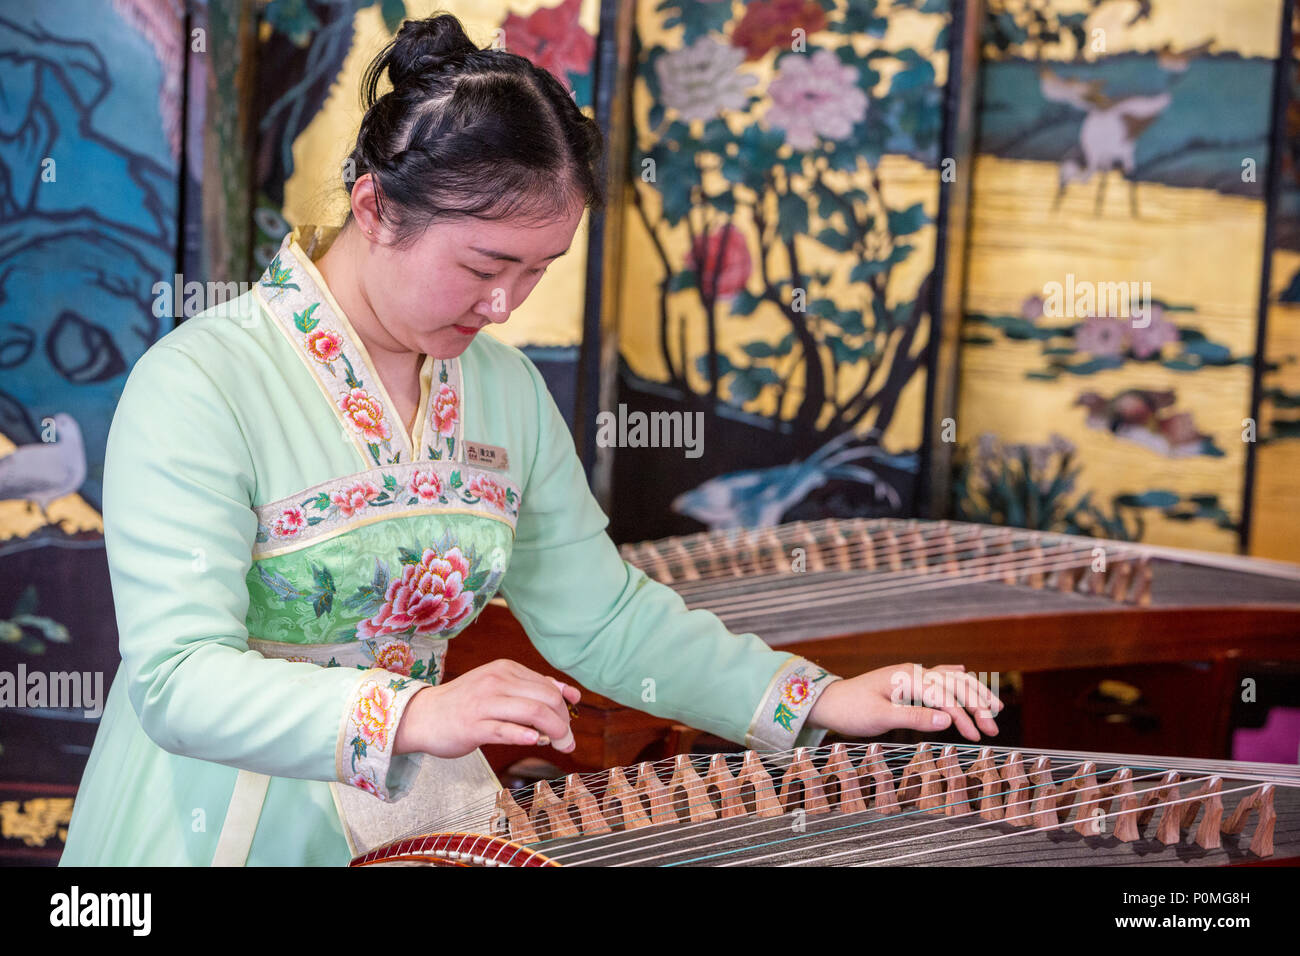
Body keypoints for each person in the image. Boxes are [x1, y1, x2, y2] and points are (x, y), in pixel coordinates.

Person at [60, 12, 1000, 866]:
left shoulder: (501, 388)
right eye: (484, 265)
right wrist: (417, 710)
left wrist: (819, 698)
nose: (505, 304)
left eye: (538, 271)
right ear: (377, 207)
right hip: (218, 826)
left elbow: (602, 615)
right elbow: (177, 681)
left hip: (420, 820)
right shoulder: (202, 381)